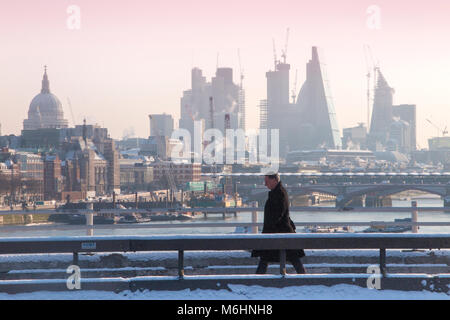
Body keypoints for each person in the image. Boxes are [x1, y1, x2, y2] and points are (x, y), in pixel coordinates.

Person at [251, 173, 306, 274]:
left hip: (277, 232)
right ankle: (304, 279)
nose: (265, 184)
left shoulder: (278, 193)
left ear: (274, 180)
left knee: (265, 258)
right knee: (292, 257)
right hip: (281, 231)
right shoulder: (279, 192)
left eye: (267, 181)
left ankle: (257, 280)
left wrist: (269, 230)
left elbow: (277, 215)